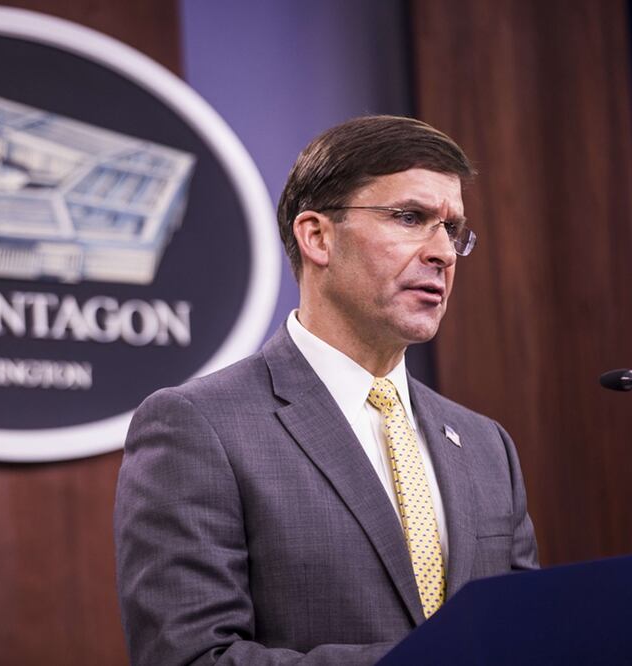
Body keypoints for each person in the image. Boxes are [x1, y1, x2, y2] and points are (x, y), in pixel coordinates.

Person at [114, 116, 538, 665]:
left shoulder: (487, 447)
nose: (444, 253)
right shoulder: (200, 427)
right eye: (411, 218)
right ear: (317, 236)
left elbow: (525, 634)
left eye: (452, 230)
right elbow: (192, 657)